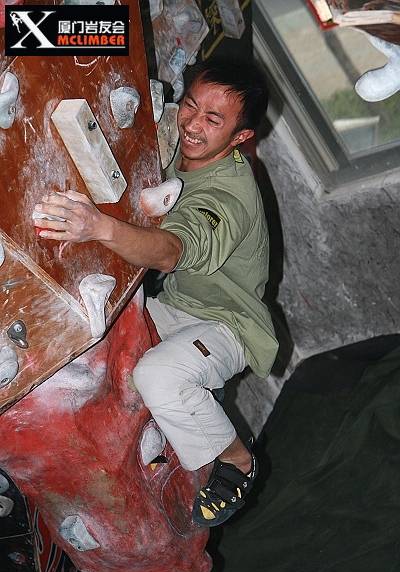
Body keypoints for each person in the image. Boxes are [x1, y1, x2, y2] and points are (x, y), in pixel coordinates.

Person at [33, 60, 278, 527]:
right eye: (191, 105)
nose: (193, 124)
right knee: (102, 336)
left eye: (213, 119)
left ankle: (237, 460)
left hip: (228, 324)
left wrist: (99, 227)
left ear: (241, 137)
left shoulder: (227, 198)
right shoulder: (185, 143)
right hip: (179, 304)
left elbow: (170, 252)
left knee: (158, 375)